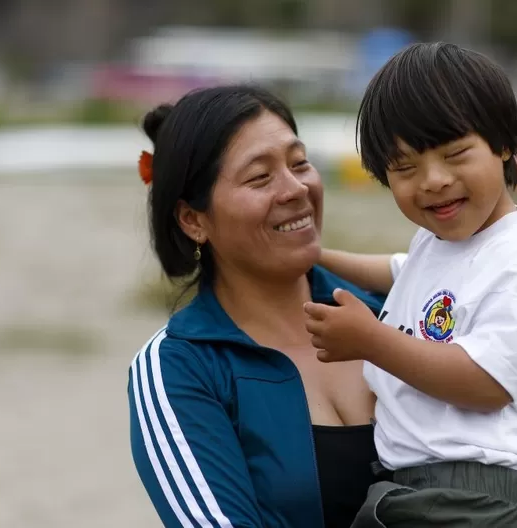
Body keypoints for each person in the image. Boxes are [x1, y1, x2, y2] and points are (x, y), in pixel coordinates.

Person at [304, 43, 517, 527]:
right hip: (428, 493)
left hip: (480, 500)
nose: (433, 180)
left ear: (504, 144)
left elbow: (486, 383)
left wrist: (372, 341)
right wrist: (313, 257)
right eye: (405, 167)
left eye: (455, 154)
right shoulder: (441, 243)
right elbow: (397, 269)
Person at [127, 85, 386, 528]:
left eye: (300, 162)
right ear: (193, 219)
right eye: (260, 177)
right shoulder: (179, 368)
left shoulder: (388, 313)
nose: (295, 188)